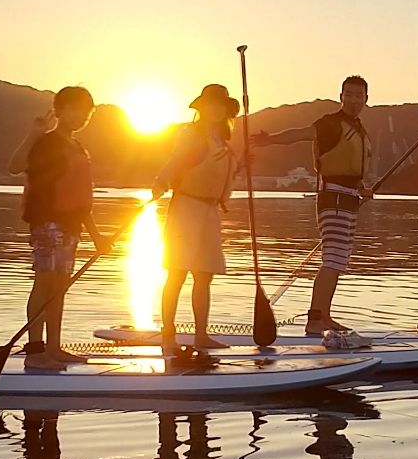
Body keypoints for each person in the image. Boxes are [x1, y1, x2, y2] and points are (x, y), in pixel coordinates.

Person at [252, 74, 371, 334]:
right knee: (332, 259)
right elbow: (300, 134)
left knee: (338, 261)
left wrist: (363, 188)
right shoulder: (331, 123)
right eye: (349, 94)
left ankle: (324, 316)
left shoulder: (359, 128)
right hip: (334, 198)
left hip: (348, 199)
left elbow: (352, 169)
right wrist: (270, 138)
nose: (354, 99)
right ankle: (316, 319)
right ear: (341, 97)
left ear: (366, 99)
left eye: (359, 95)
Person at [7, 86, 108, 370]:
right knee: (45, 283)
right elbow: (14, 166)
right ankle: (35, 352)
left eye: (87, 111)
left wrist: (96, 235)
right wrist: (34, 134)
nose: (82, 116)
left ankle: (54, 348)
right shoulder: (47, 142)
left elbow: (81, 198)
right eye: (75, 109)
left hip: (70, 226)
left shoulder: (78, 147)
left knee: (59, 288)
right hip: (48, 223)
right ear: (59, 110)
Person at [152, 84, 238, 353]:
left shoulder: (223, 142)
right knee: (177, 272)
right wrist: (161, 181)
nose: (216, 109)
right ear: (201, 108)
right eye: (211, 104)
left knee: (204, 275)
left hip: (210, 211)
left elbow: (222, 177)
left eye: (220, 105)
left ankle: (201, 335)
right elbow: (175, 160)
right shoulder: (191, 135)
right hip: (186, 207)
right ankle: (168, 335)